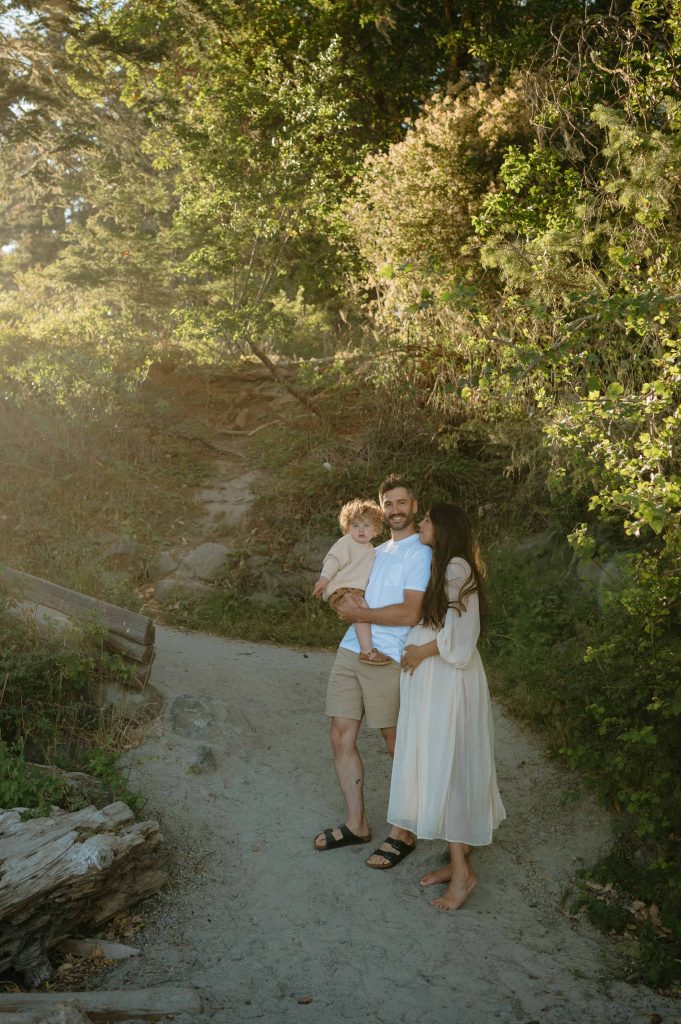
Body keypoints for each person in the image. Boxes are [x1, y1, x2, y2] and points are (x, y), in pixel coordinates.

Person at [378, 503, 506, 908]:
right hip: (434, 680)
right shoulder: (445, 566)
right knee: (449, 761)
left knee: (447, 764)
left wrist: (420, 653)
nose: (422, 524)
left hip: (448, 681)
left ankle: (463, 876)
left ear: (443, 527)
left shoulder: (456, 569)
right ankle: (459, 859)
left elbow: (462, 637)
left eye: (428, 520)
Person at [313, 476, 432, 858]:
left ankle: (404, 831)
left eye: (401, 503)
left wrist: (361, 612)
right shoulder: (375, 550)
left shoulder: (421, 554)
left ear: (414, 507)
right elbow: (348, 587)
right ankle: (356, 824)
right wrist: (341, 600)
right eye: (388, 503)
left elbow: (411, 611)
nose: (395, 510)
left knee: (394, 742)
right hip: (352, 650)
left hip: (389, 657)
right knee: (339, 735)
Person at [312, 498, 391, 665]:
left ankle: (367, 649)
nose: (360, 530)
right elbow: (333, 560)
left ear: (375, 530)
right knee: (361, 613)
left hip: (354, 591)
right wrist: (323, 580)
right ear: (348, 528)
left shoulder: (371, 550)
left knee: (363, 613)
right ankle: (367, 651)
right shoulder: (347, 542)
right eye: (355, 525)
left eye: (366, 525)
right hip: (341, 589)